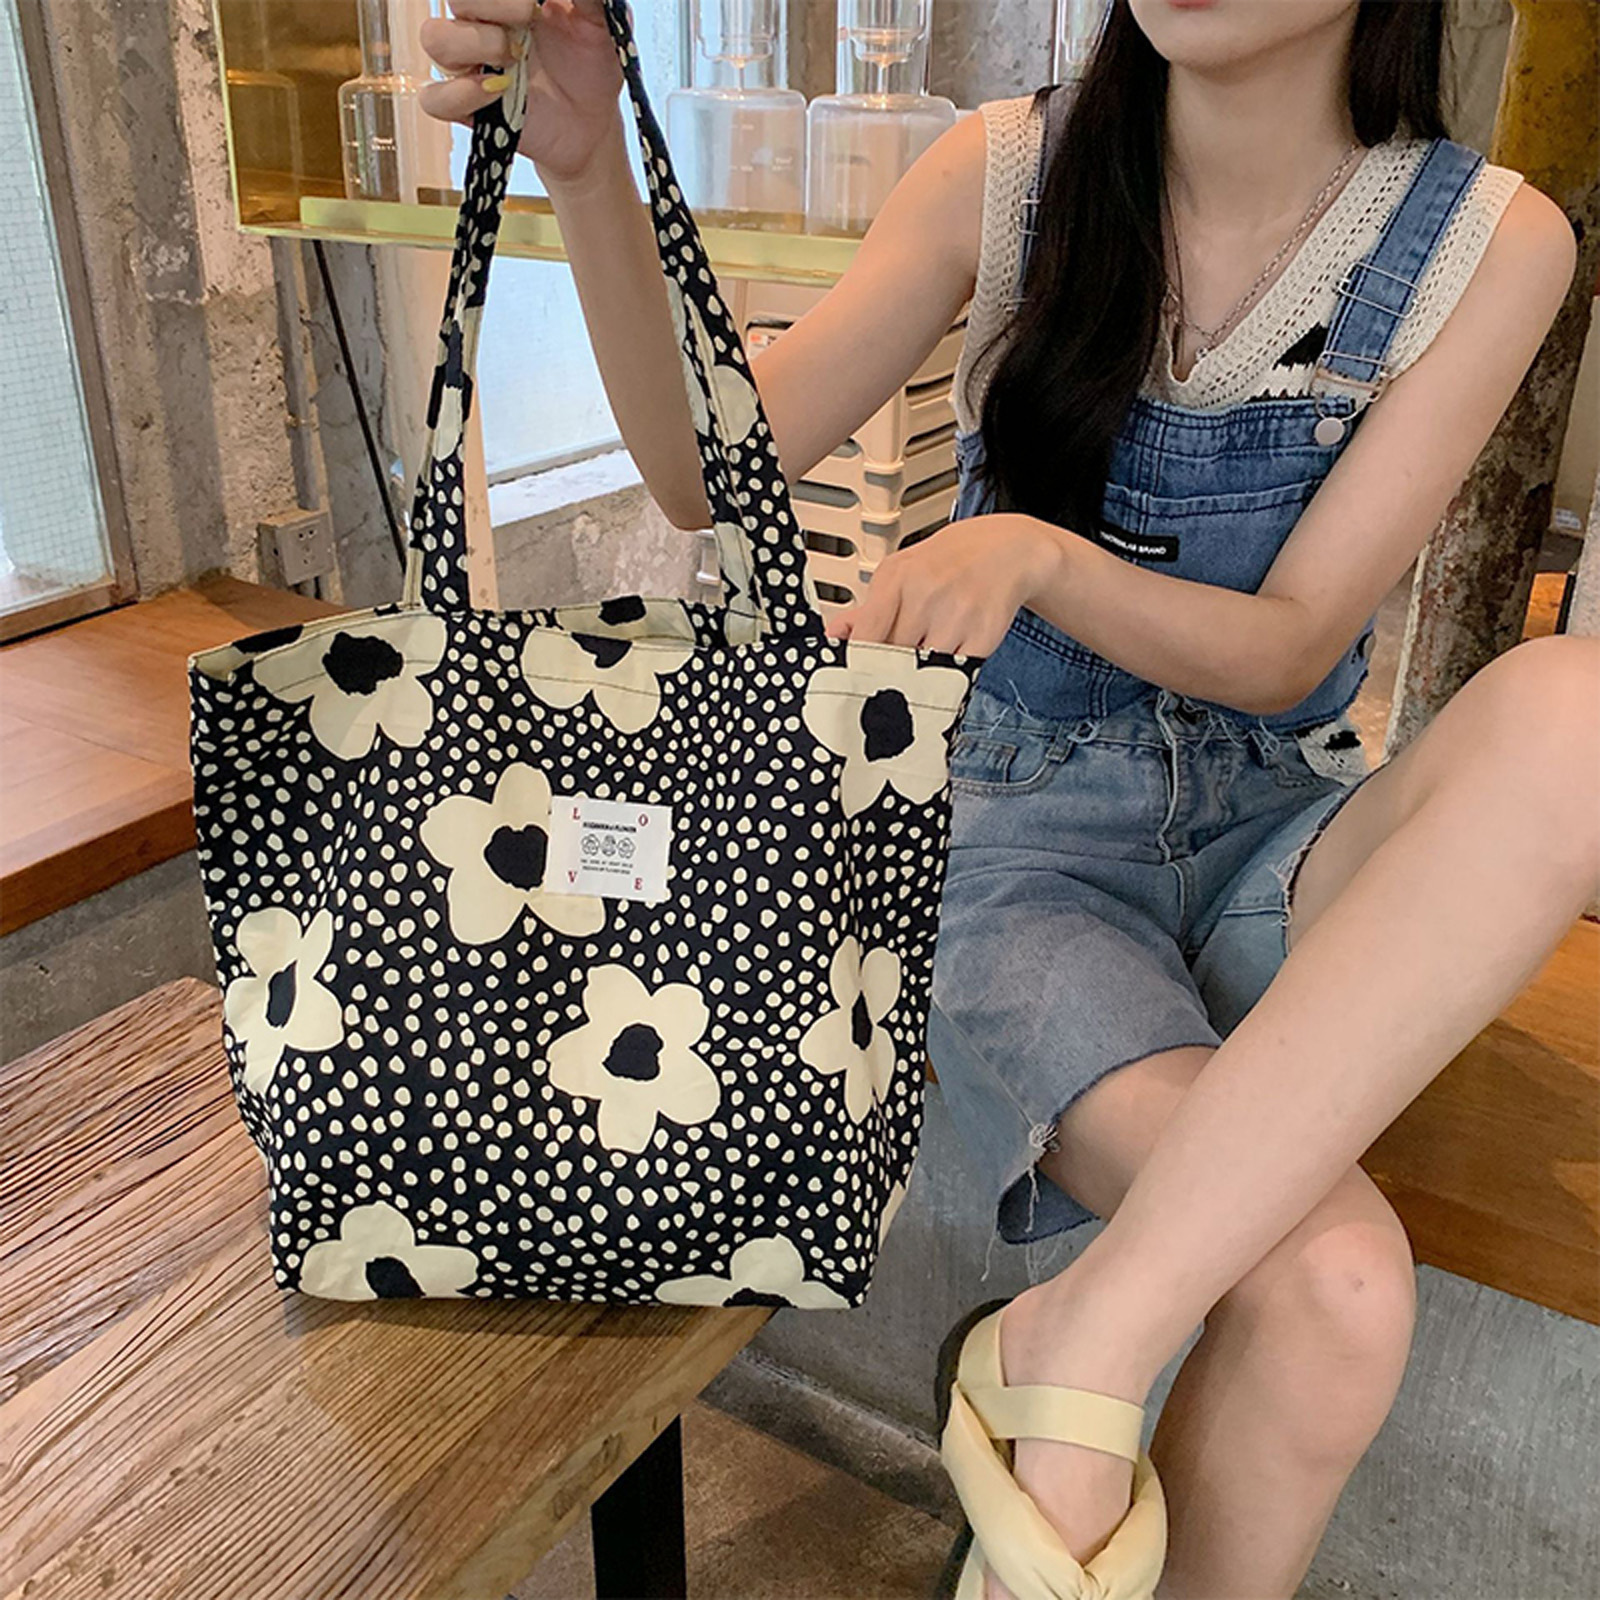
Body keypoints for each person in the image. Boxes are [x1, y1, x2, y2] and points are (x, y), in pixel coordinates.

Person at [419, 2, 1595, 1595]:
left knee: (1574, 708)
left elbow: (1291, 645)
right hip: (1019, 847)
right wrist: (585, 172)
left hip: (1281, 834)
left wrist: (1039, 557)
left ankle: (1082, 1336)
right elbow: (710, 471)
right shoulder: (1009, 171)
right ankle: (1082, 1360)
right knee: (1334, 1293)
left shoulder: (1488, 241)